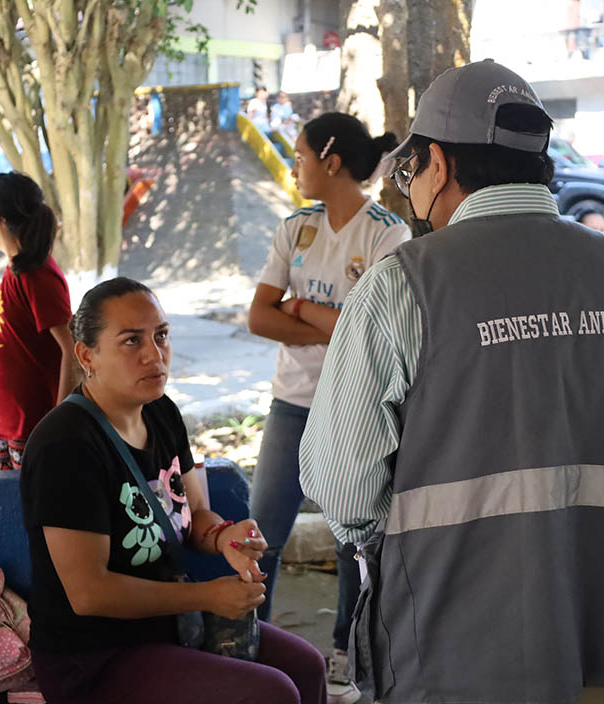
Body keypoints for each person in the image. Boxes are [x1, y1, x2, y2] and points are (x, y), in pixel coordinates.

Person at [298, 59, 604, 704]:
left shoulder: (400, 286)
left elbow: (345, 490)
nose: (410, 187)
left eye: (410, 169)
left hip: (455, 655)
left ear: (438, 163)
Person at [20, 277, 327, 704]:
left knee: (307, 666)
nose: (154, 354)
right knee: (270, 693)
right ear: (87, 355)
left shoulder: (161, 412)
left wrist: (226, 537)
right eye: (131, 341)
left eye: (161, 335)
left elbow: (195, 514)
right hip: (93, 657)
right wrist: (207, 596)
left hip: (171, 626)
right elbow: (89, 593)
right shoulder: (66, 446)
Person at [247, 112, 410, 704]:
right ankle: (252, 642)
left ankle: (347, 651)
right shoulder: (296, 228)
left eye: (300, 157)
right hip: (291, 403)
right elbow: (258, 316)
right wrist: (333, 324)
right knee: (262, 530)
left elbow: (371, 332)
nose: (295, 168)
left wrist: (299, 310)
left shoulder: (388, 234)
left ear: (331, 161)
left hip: (354, 407)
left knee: (352, 537)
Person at [0, 172, 80, 471]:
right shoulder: (16, 269)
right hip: (6, 426)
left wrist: (60, 421)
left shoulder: (37, 274)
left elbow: (73, 349)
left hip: (34, 429)